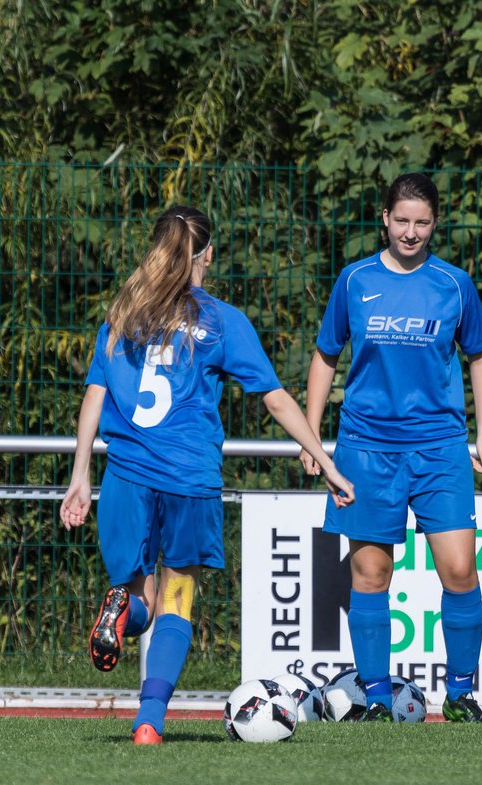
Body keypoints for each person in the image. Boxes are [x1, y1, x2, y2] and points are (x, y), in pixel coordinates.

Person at [61, 204, 355, 744]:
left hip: (124, 476)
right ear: (208, 255)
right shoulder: (220, 321)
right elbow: (274, 399)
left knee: (139, 597)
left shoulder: (123, 317)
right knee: (177, 602)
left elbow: (93, 396)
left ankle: (124, 609)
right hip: (189, 479)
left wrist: (80, 474)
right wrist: (327, 462)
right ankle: (149, 723)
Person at [298, 172, 482, 722]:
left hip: (439, 449)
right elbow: (325, 355)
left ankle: (460, 695)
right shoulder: (355, 280)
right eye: (402, 220)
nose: (411, 232)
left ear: (435, 225)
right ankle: (377, 700)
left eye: (422, 222)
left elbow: (480, 355)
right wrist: (312, 439)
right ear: (384, 219)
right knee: (370, 576)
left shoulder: (454, 284)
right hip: (365, 449)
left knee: (459, 570)